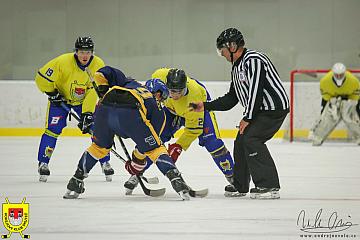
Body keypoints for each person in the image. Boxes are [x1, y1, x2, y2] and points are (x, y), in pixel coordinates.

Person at [64, 66, 194, 200]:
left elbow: (104, 72)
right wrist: (137, 163)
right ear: (159, 94)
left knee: (98, 148)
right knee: (156, 149)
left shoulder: (129, 83)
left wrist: (103, 88)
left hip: (104, 108)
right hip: (131, 112)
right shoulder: (157, 109)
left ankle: (76, 180)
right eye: (162, 98)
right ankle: (176, 179)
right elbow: (148, 146)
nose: (161, 101)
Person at [190, 28, 289, 199]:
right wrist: (205, 106)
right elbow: (231, 99)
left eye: (222, 50)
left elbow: (256, 91)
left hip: (274, 109)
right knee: (241, 140)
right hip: (259, 110)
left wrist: (248, 117)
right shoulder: (237, 68)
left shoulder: (254, 60)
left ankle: (269, 185)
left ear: (232, 46)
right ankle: (240, 185)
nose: (222, 54)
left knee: (252, 139)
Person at [123, 68, 235, 196]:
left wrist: (178, 146)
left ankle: (233, 179)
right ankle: (137, 172)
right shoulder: (159, 76)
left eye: (178, 91)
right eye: (171, 91)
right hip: (171, 111)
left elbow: (194, 129)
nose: (174, 95)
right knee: (153, 139)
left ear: (184, 87)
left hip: (197, 109)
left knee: (213, 143)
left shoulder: (194, 96)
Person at [35, 36, 114, 182]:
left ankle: (105, 162)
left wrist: (87, 113)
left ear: (92, 52)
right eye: (82, 51)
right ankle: (43, 163)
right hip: (60, 101)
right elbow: (41, 77)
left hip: (83, 101)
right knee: (52, 130)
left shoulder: (98, 64)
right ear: (76, 52)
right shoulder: (62, 61)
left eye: (88, 52)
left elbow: (93, 90)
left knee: (98, 130)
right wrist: (52, 93)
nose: (85, 55)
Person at [308, 63, 360, 146]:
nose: (339, 76)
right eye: (337, 75)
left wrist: (349, 106)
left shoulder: (354, 81)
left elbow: (355, 97)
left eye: (341, 75)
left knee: (350, 118)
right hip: (333, 99)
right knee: (329, 117)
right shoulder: (325, 81)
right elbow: (326, 97)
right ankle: (317, 136)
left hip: (349, 99)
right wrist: (333, 105)